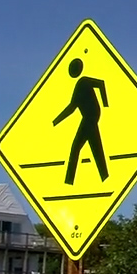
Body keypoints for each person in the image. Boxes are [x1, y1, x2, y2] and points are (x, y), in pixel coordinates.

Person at [53, 57, 109, 186]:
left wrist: (106, 104)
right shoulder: (78, 86)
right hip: (90, 118)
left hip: (91, 117)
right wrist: (56, 121)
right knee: (96, 149)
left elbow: (101, 83)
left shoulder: (83, 82)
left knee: (76, 148)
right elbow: (72, 107)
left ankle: (68, 181)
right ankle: (105, 177)